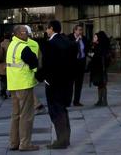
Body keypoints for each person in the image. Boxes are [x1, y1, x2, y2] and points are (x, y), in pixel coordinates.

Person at [39, 19, 75, 149]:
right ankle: (66, 138)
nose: (46, 31)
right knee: (63, 110)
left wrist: (41, 77)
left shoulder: (51, 44)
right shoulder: (69, 42)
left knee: (56, 111)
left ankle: (61, 140)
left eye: (47, 28)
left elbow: (48, 64)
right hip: (67, 83)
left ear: (52, 29)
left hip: (54, 84)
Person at [5, 24, 41, 152]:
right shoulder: (23, 47)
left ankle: (13, 142)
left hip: (13, 84)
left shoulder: (11, 46)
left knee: (15, 115)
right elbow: (34, 62)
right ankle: (25, 144)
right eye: (25, 32)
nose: (28, 34)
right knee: (26, 115)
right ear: (19, 34)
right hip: (24, 84)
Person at [88, 30, 111, 107]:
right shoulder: (95, 45)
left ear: (98, 38)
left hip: (101, 68)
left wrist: (92, 55)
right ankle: (100, 100)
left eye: (95, 37)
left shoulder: (100, 47)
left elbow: (97, 56)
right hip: (97, 68)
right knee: (99, 85)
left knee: (102, 84)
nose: (93, 38)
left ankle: (104, 101)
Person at [70, 24, 88, 107]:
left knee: (79, 83)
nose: (81, 31)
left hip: (81, 62)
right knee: (70, 83)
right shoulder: (70, 37)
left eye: (81, 30)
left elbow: (86, 49)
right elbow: (69, 48)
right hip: (73, 63)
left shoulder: (84, 38)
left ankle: (76, 101)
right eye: (79, 30)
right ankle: (68, 100)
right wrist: (76, 41)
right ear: (75, 30)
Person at [0, 33, 11, 100]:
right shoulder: (12, 44)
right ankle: (10, 92)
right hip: (10, 65)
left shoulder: (1, 44)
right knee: (10, 79)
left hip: (1, 65)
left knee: (3, 80)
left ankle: (3, 92)